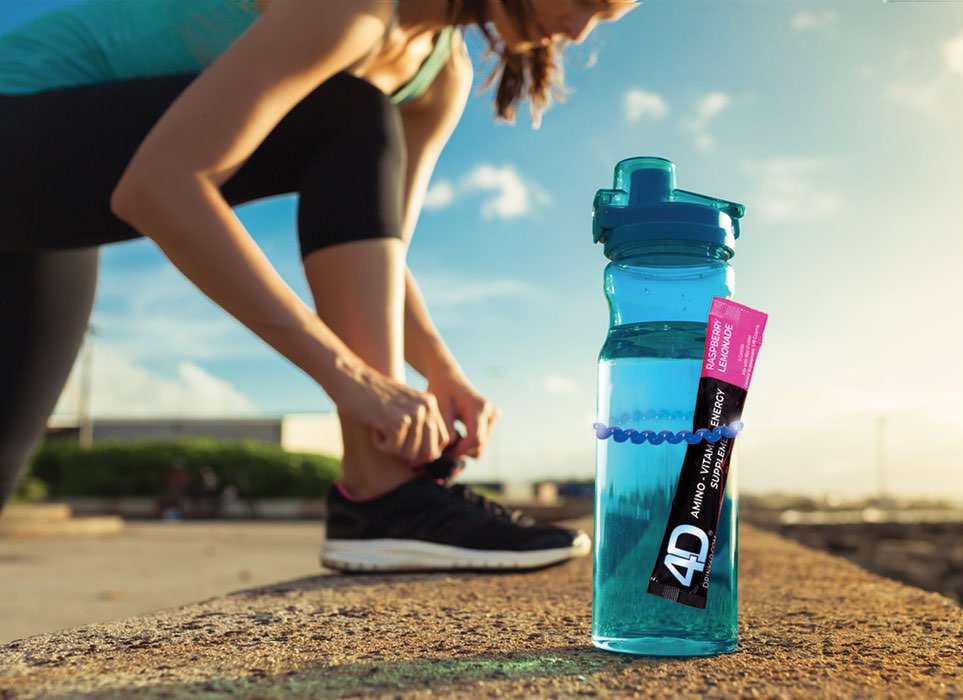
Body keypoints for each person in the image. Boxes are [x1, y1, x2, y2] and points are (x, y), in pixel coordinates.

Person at [0, 0, 634, 571]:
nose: (577, 31)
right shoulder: (353, 8)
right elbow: (160, 188)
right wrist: (355, 381)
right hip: (17, 122)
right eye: (584, 1)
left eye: (603, 22)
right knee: (354, 110)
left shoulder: (440, 77)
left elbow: (372, 253)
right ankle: (382, 493)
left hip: (47, 217)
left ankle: (385, 494)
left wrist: (442, 373)